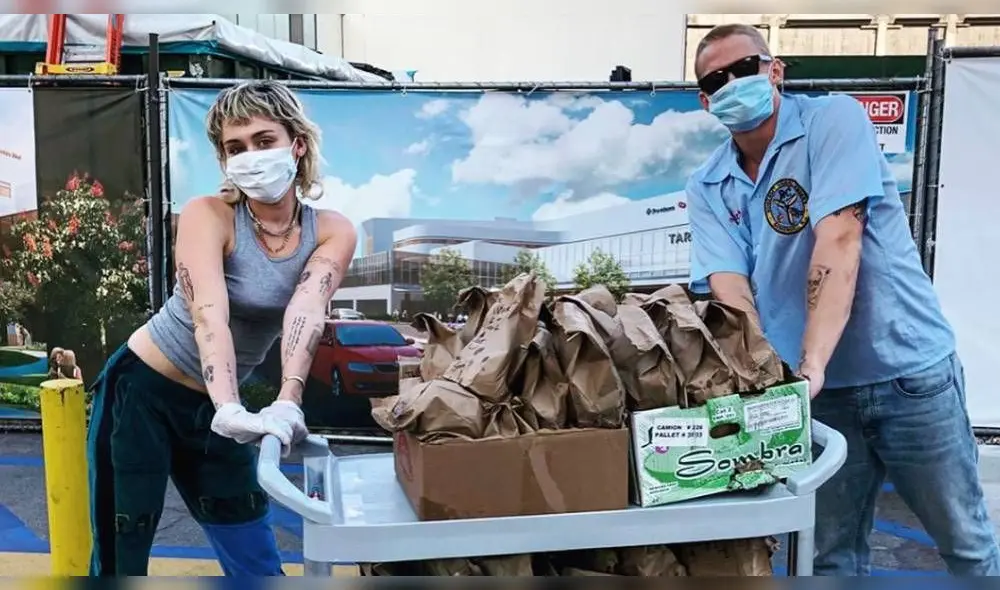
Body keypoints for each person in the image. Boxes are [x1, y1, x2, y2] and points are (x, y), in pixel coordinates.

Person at [684, 24, 1000, 576]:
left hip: (907, 372)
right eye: (718, 79)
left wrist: (810, 364)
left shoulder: (833, 120)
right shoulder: (709, 185)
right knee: (829, 560)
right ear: (706, 99)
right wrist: (766, 371)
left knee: (968, 549)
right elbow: (729, 286)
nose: (734, 82)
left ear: (774, 69)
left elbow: (839, 237)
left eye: (745, 68)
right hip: (815, 397)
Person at [85, 80, 357, 576]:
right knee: (123, 550)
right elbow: (208, 311)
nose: (250, 155)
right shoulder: (208, 215)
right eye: (235, 147)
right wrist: (229, 406)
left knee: (253, 550)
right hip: (140, 391)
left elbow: (307, 309)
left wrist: (289, 398)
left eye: (263, 140)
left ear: (296, 144)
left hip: (212, 405)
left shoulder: (333, 229)